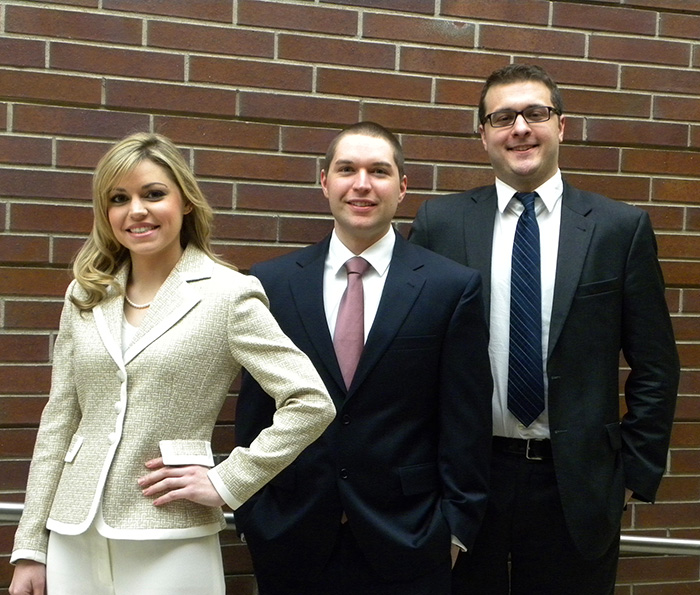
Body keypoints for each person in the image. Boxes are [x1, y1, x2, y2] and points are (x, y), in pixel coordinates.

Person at [9, 132, 335, 595]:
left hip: (169, 533)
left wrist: (228, 482)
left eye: (153, 194)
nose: (135, 210)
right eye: (119, 199)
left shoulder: (228, 294)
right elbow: (60, 419)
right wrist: (30, 548)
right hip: (72, 535)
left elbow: (310, 402)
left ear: (185, 202)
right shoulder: (85, 295)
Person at [410, 63, 680, 594]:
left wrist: (630, 474)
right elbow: (412, 355)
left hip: (576, 482)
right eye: (503, 116)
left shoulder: (618, 228)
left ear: (562, 126)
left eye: (536, 113)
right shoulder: (439, 224)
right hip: (468, 475)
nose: (520, 128)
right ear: (482, 133)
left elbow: (655, 365)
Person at [234, 121, 493, 595]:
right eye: (347, 169)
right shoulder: (271, 284)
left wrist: (455, 528)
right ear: (325, 182)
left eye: (379, 171)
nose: (362, 184)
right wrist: (254, 514)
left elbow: (466, 423)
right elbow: (254, 413)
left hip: (409, 538)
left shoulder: (450, 288)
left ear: (402, 188)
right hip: (291, 536)